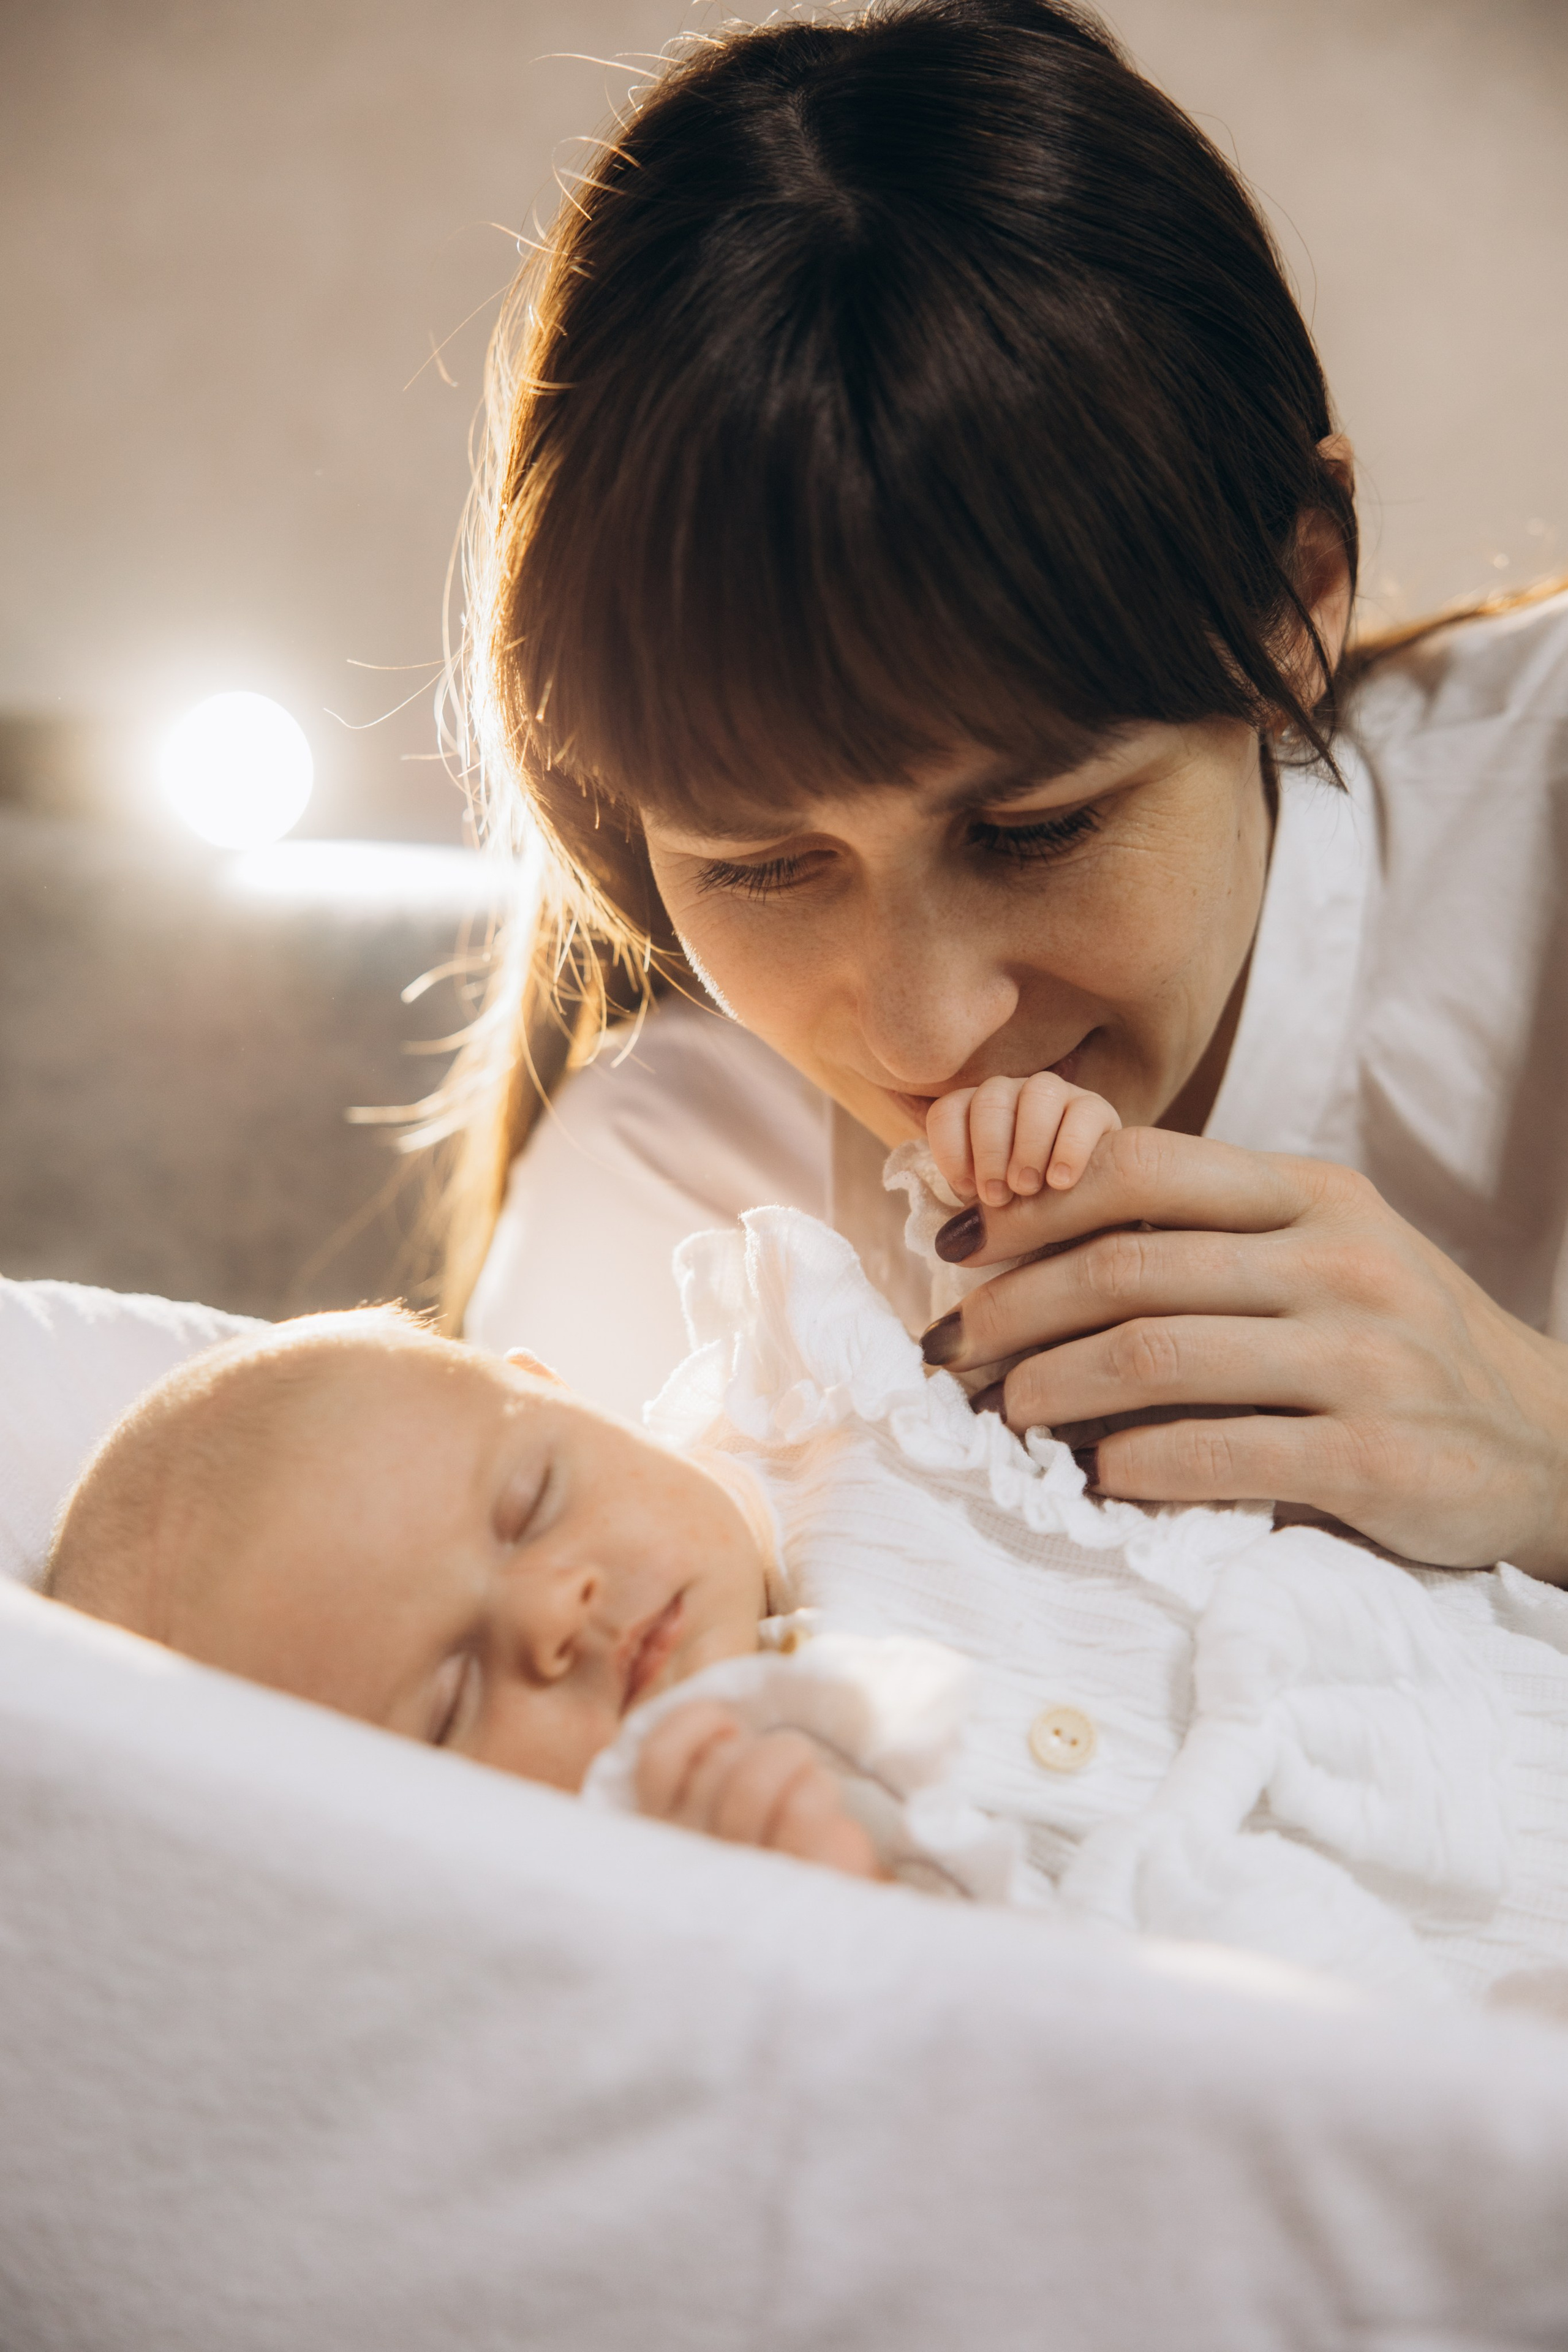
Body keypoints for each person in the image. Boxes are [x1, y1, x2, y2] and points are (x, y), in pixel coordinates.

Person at [442, 0, 1568, 1579]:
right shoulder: (679, 1199)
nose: (918, 1036)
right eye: (762, 868)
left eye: (1031, 830)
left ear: (1299, 595)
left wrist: (1541, 1443)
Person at [42, 1079, 1568, 2005]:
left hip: (1483, 1708)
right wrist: (793, 1915)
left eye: (532, 1503)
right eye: (446, 1702)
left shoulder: (818, 1421)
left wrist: (1023, 1161)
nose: (557, 1615)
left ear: (562, 1392)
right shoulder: (660, 1880)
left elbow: (1022, 1314)